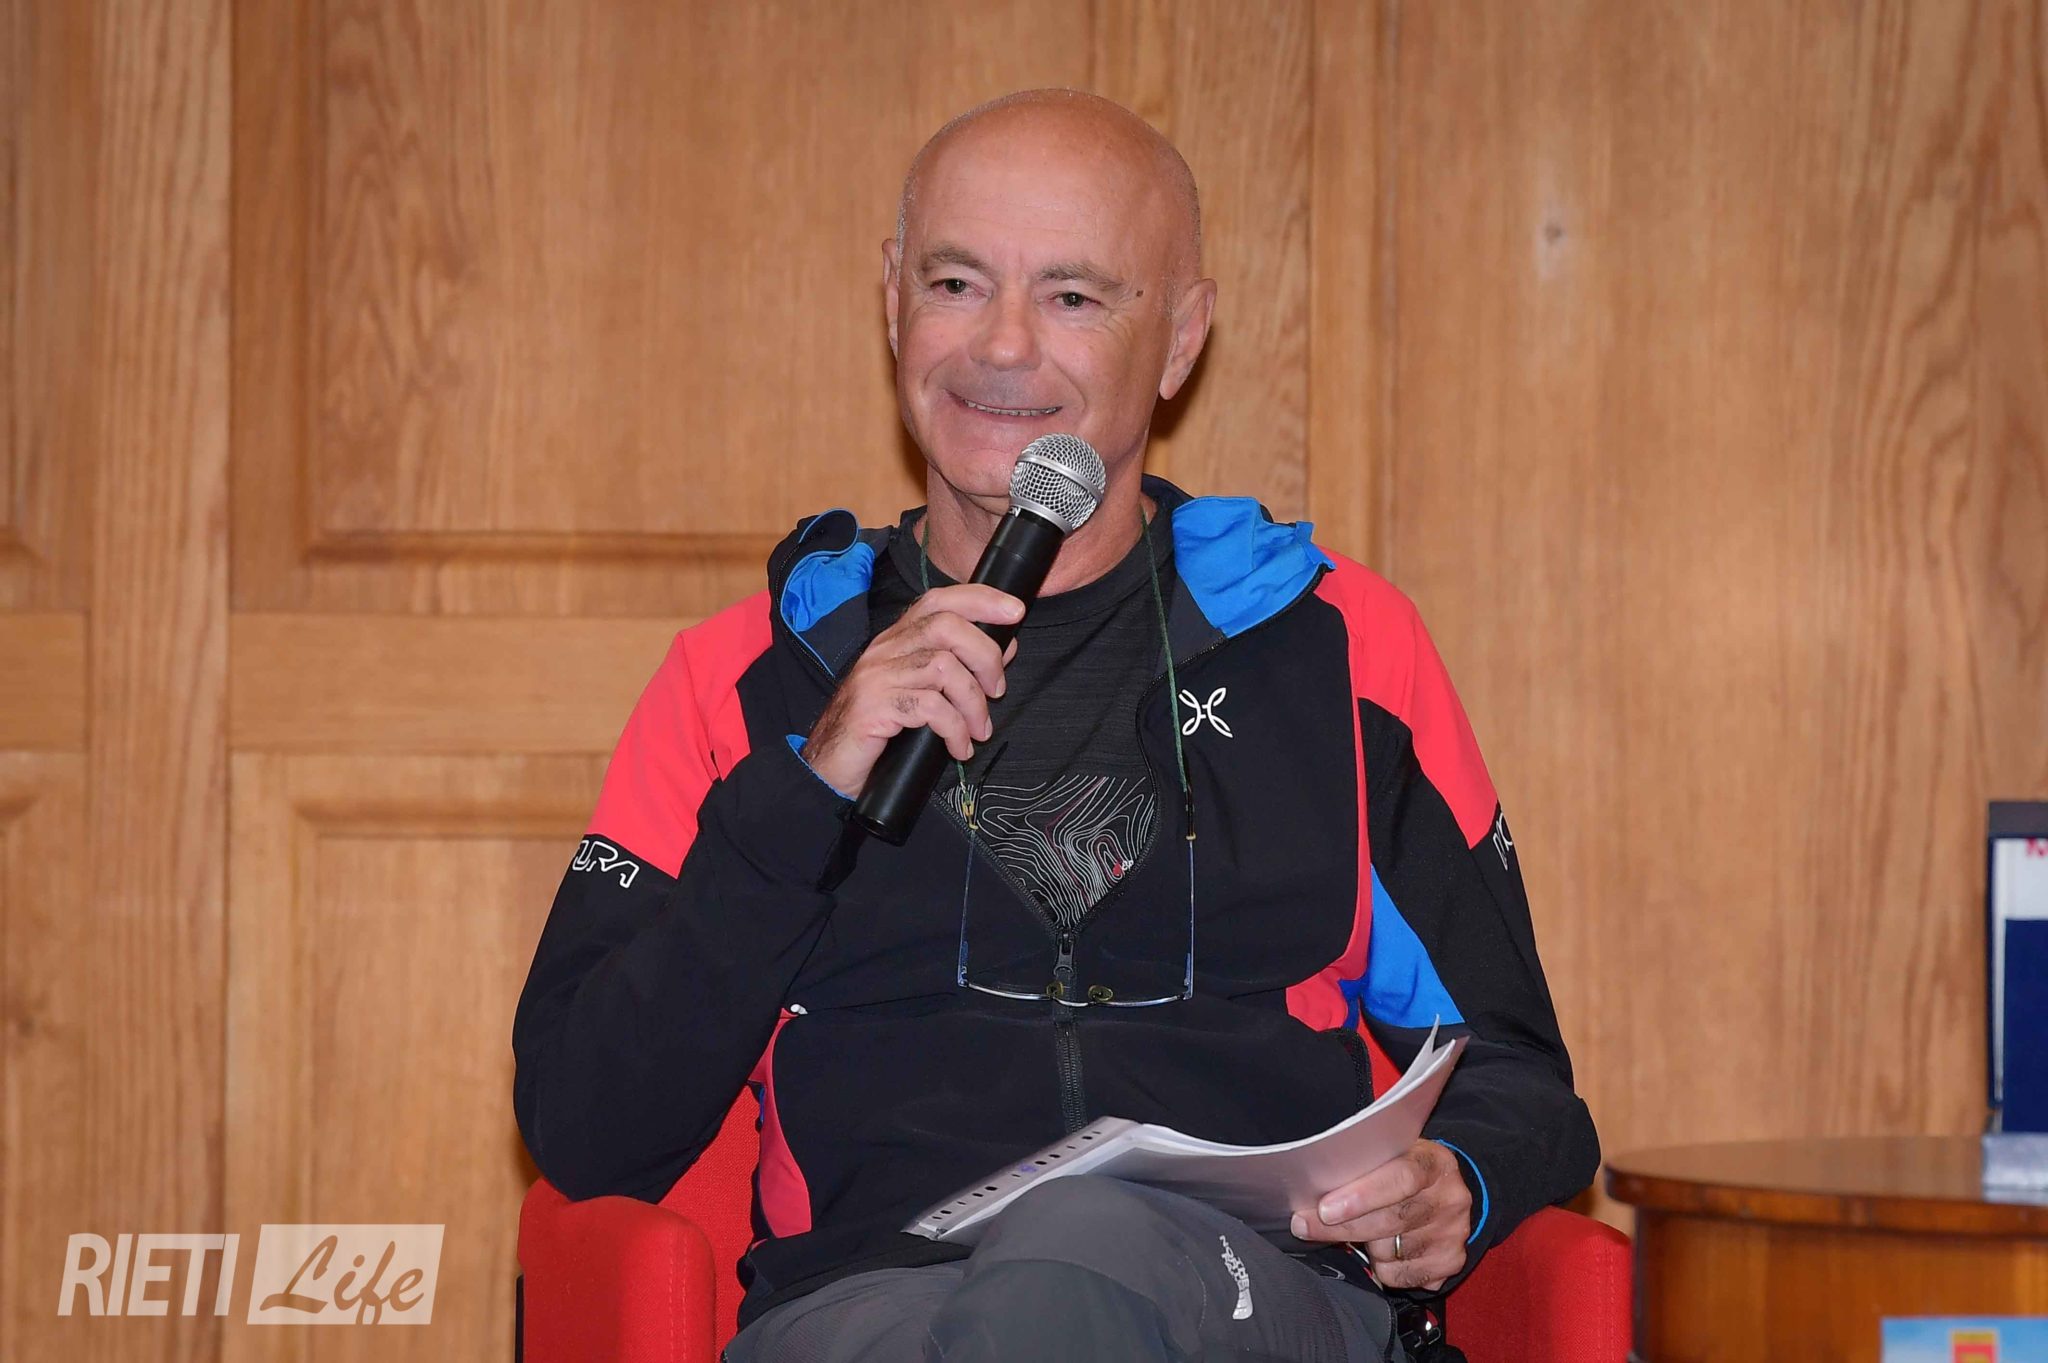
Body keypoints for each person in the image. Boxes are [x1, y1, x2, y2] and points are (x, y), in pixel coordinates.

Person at [512, 89, 1598, 1362]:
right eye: (956, 283)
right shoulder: (742, 681)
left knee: (1076, 1244)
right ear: (891, 302)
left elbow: (1514, 1073)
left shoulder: (1339, 651)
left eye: (1073, 296)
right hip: (866, 1300)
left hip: (1244, 1291)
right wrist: (809, 790)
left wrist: (1460, 1175)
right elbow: (588, 1125)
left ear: (1179, 339)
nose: (1003, 346)